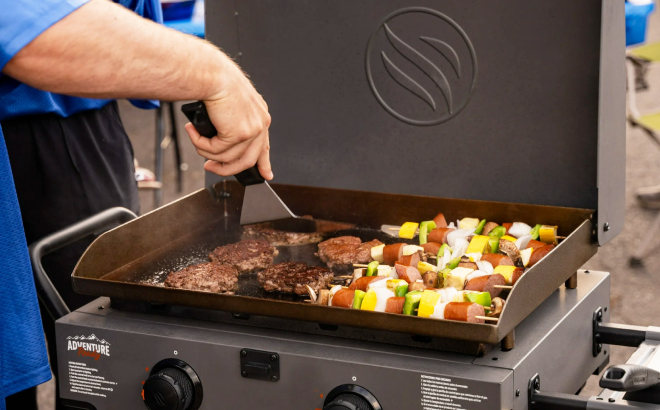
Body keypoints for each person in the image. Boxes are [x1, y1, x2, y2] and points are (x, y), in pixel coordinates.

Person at [0, 0, 272, 409]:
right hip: (38, 106)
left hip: (86, 117)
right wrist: (217, 76)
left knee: (98, 357)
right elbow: (21, 29)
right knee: (57, 360)